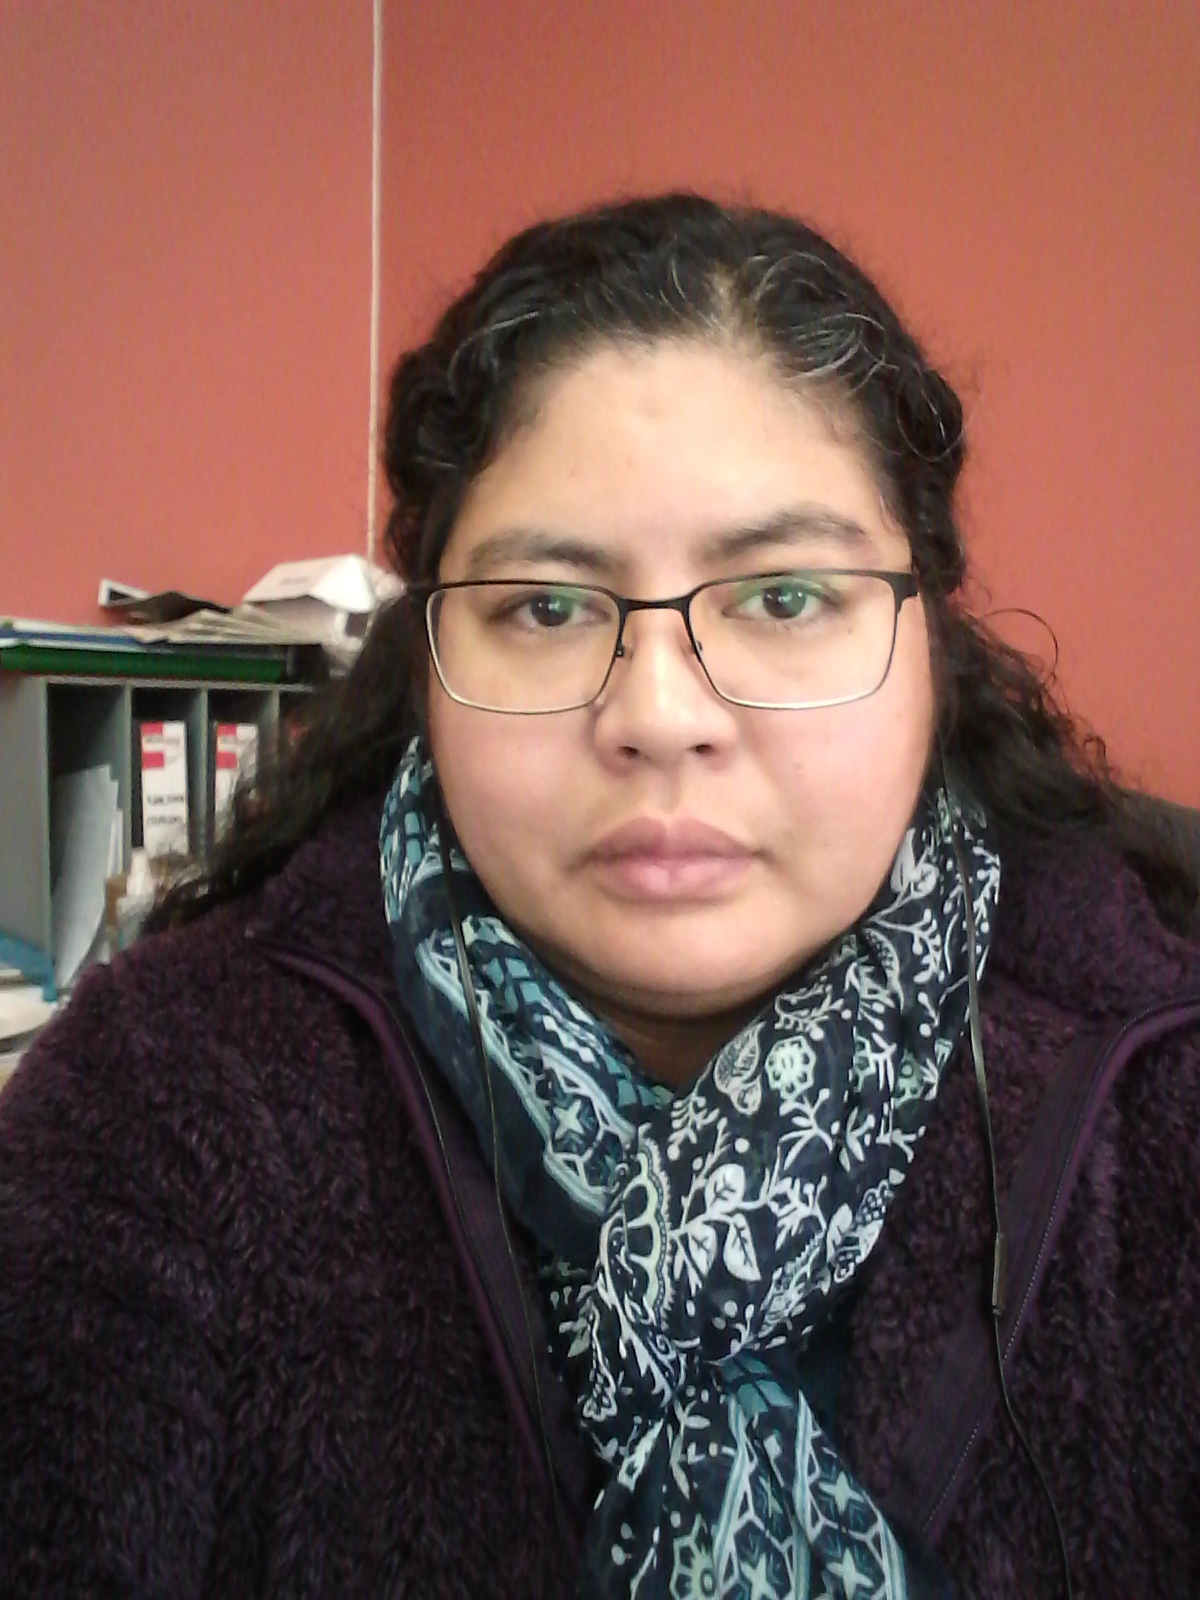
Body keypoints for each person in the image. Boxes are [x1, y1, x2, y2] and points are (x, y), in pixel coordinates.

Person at [2, 194, 1198, 1600]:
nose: (659, 717)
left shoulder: (1160, 1102)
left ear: (927, 640)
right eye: (549, 607)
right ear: (429, 654)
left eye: (785, 596)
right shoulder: (160, 1103)